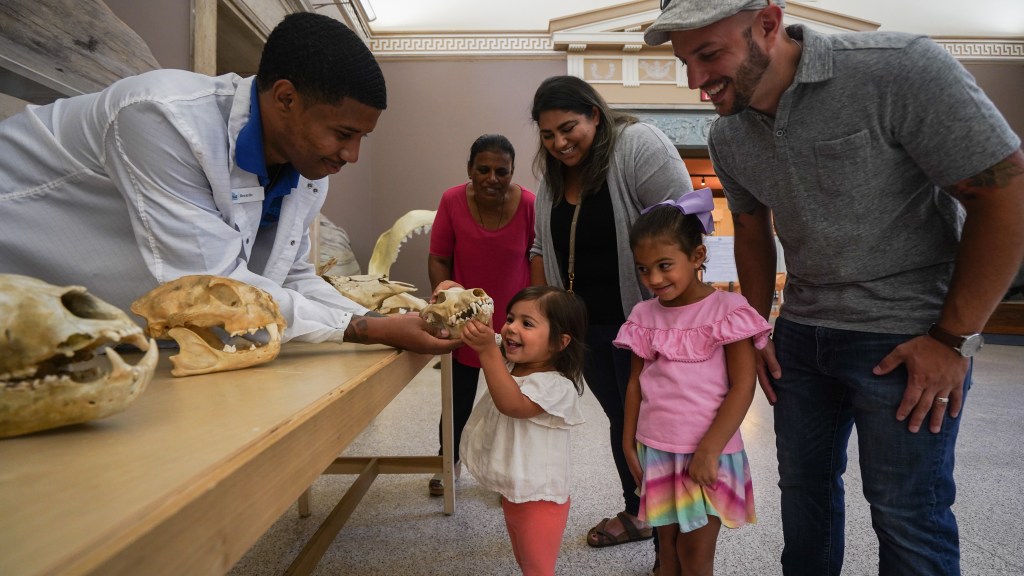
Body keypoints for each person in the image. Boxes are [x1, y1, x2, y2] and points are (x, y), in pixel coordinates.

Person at [645, 1, 1024, 574]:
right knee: (804, 500)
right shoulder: (729, 134)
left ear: (768, 24)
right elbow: (750, 228)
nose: (696, 81)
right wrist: (754, 326)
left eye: (709, 54)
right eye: (683, 62)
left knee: (906, 514)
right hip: (801, 338)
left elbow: (1006, 194)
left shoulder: (900, 69)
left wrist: (953, 339)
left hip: (906, 338)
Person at [0, 12, 458, 355]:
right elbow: (210, 288)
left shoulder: (307, 171)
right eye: (342, 133)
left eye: (361, 138)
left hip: (103, 326)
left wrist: (374, 318)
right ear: (285, 98)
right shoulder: (162, 116)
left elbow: (293, 277)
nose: (351, 155)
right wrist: (366, 329)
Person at [528, 74, 694, 553]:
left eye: (568, 128)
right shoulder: (552, 179)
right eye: (547, 134)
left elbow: (683, 225)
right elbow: (541, 245)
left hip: (646, 324)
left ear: (595, 115)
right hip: (587, 329)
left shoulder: (637, 145)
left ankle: (674, 529)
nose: (559, 143)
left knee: (654, 424)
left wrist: (677, 321)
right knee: (624, 422)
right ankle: (642, 512)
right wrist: (547, 315)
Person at [614, 189, 772, 576]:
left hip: (709, 455)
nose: (653, 278)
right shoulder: (643, 314)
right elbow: (635, 383)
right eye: (643, 268)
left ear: (697, 257)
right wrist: (627, 440)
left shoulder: (729, 311)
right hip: (657, 450)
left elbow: (742, 386)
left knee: (696, 555)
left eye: (665, 265)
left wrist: (709, 449)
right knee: (666, 553)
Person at [426, 134, 536, 496]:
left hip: (514, 324)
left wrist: (534, 318)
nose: (492, 177)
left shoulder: (530, 205)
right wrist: (445, 296)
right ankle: (448, 462)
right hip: (466, 321)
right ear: (470, 169)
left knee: (511, 401)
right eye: (483, 169)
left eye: (501, 171)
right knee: (457, 396)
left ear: (512, 171)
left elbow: (535, 262)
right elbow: (439, 256)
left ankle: (508, 471)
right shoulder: (452, 200)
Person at [459, 286, 588, 576]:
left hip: (540, 498)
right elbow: (482, 333)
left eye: (527, 324)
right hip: (515, 492)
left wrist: (487, 351)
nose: (510, 329)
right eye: (510, 318)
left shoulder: (555, 386)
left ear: (559, 342)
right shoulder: (511, 361)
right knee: (524, 560)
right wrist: (456, 292)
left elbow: (512, 404)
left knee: (538, 568)